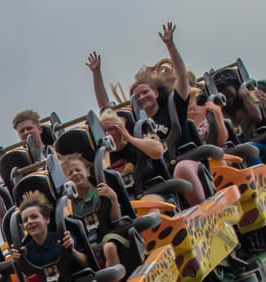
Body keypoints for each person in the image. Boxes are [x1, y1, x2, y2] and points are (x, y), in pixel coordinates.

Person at [86, 23, 205, 206]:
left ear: (156, 93)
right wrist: (96, 73)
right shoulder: (134, 123)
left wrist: (170, 45)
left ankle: (204, 210)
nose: (142, 97)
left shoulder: (172, 107)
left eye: (145, 92)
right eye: (137, 95)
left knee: (181, 169)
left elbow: (181, 77)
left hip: (184, 161)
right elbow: (106, 110)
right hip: (158, 175)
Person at [60, 153, 127, 269]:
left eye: (78, 170)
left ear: (87, 171)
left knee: (109, 247)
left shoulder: (102, 192)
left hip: (111, 236)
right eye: (70, 173)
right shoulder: (67, 206)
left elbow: (116, 220)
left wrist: (113, 199)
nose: (75, 174)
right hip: (88, 247)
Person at [10, 190, 87, 282]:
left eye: (34, 217)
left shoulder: (64, 238)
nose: (30, 222)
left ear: (46, 219)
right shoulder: (27, 250)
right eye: (25, 220)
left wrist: (72, 250)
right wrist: (23, 263)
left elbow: (87, 265)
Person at [98, 108, 164, 190]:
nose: (107, 134)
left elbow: (158, 152)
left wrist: (129, 138)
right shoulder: (103, 159)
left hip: (151, 189)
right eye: (104, 131)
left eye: (111, 129)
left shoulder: (136, 142)